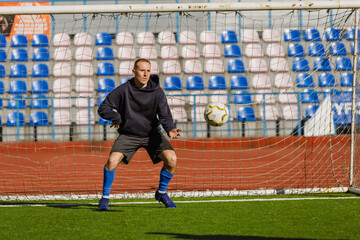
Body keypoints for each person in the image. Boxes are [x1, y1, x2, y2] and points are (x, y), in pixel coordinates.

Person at [97, 58, 181, 211]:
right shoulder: (123, 90)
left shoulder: (157, 91)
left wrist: (169, 128)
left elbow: (165, 114)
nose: (145, 74)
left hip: (152, 134)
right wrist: (116, 117)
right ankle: (104, 199)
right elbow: (103, 108)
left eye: (148, 71)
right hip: (129, 135)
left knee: (172, 159)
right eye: (142, 70)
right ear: (134, 72)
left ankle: (161, 193)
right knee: (112, 160)